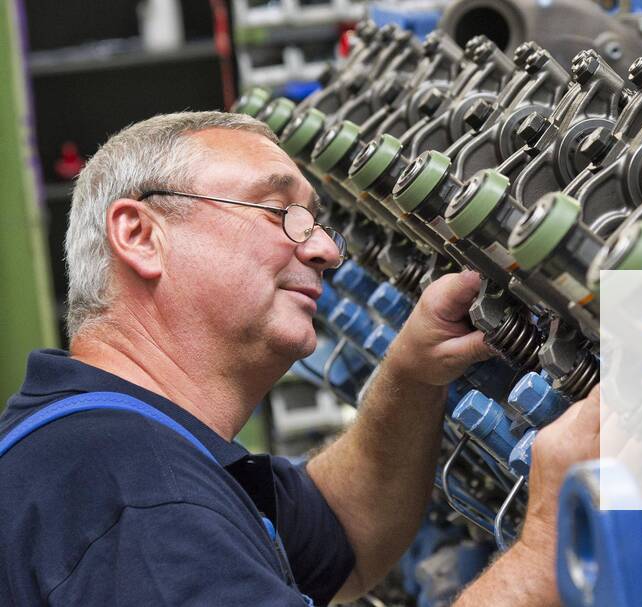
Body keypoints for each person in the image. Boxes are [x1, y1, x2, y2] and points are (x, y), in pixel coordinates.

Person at [0, 112, 599, 605]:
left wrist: (413, 374)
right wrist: (553, 535)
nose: (325, 250)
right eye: (280, 212)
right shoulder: (138, 505)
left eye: (315, 220)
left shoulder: (99, 443)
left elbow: (342, 530)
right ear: (139, 235)